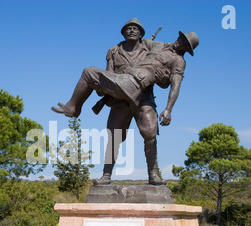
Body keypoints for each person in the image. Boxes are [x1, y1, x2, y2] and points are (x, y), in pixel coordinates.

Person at [51, 27, 199, 185]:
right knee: (114, 136)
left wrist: (168, 108)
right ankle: (106, 175)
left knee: (150, 133)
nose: (180, 43)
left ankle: (153, 174)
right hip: (123, 94)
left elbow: (175, 85)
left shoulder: (179, 61)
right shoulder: (156, 45)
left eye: (185, 44)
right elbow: (138, 43)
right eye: (181, 39)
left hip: (140, 93)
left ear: (187, 49)